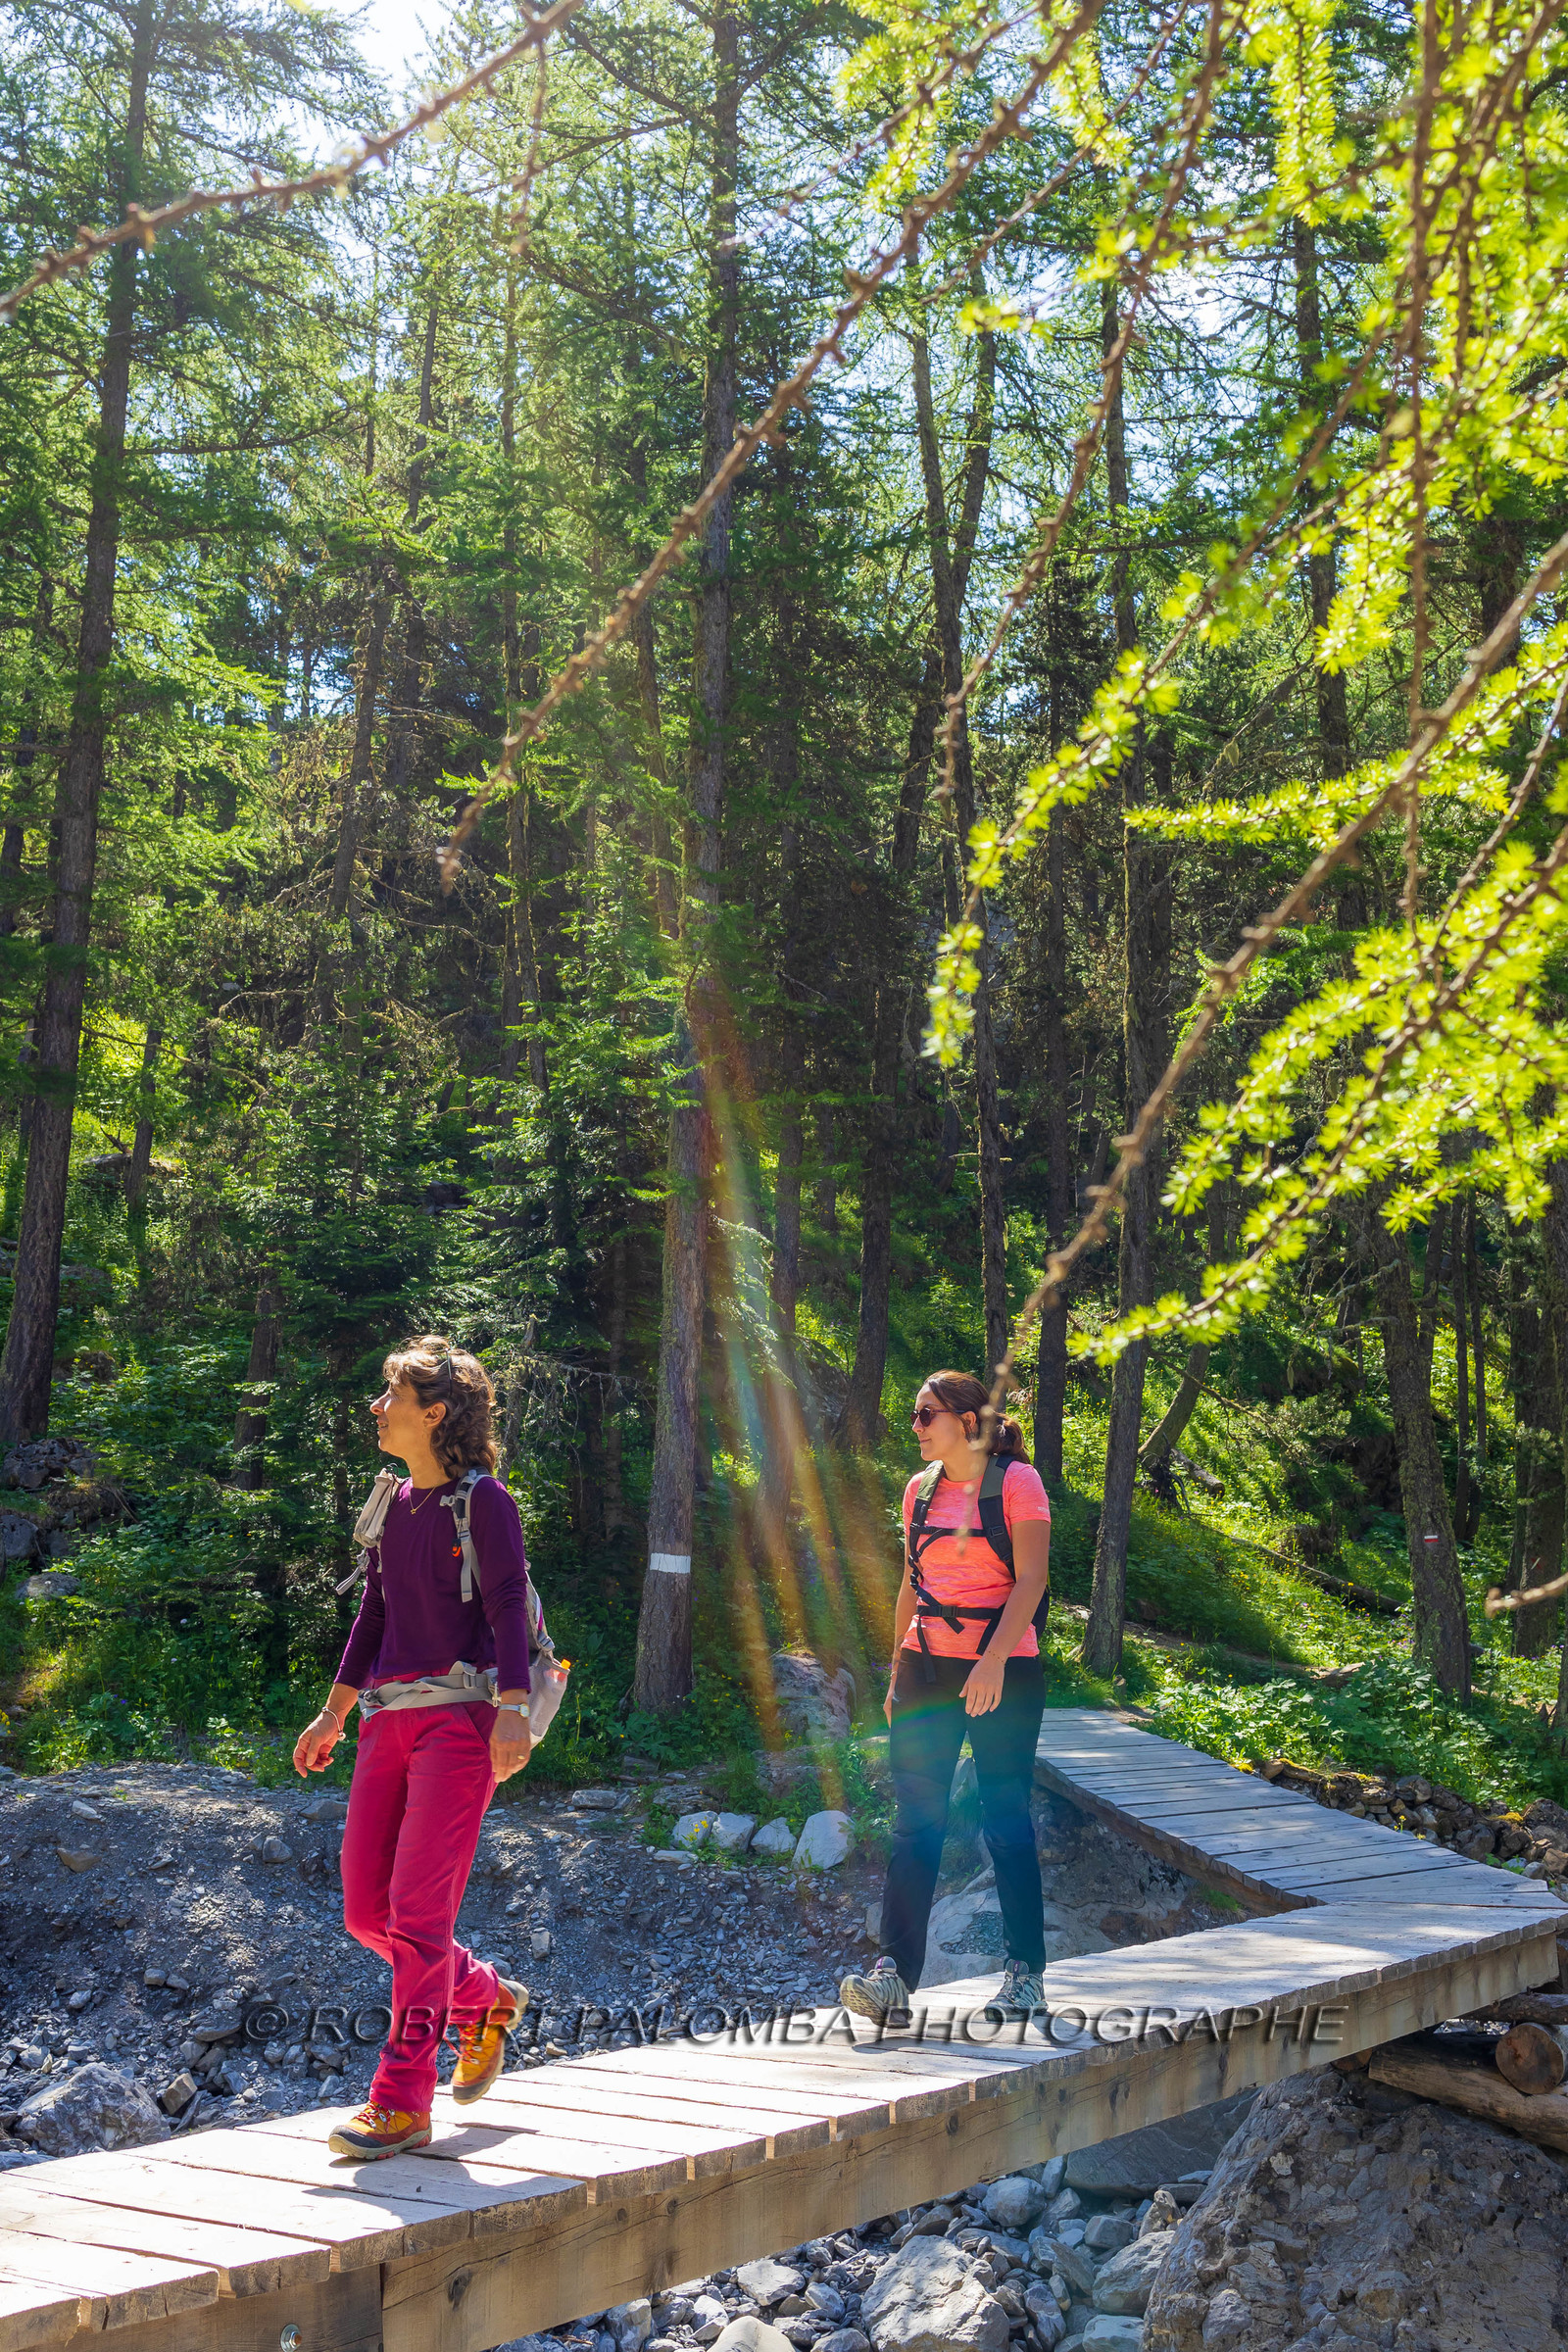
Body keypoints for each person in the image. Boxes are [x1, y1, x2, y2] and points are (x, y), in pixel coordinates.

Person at [293, 1336, 531, 2157]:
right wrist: (332, 1715)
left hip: (460, 1723)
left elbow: (505, 1602)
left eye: (389, 1394)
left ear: (434, 1414)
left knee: (421, 1918)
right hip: (385, 1724)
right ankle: (484, 1998)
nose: (376, 1408)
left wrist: (513, 1706)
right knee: (369, 1912)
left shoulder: (485, 1501)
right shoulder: (393, 1503)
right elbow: (375, 1617)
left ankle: (402, 2101)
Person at [839, 1369, 1052, 2027]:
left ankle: (1025, 1977)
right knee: (915, 1825)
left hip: (1004, 1675)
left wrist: (989, 1664)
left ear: (966, 1420)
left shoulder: (1018, 1482)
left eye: (925, 1414)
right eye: (913, 1414)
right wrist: (895, 1672)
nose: (915, 1426)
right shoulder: (918, 1491)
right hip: (924, 1672)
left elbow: (1033, 1580)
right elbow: (913, 1581)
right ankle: (893, 1980)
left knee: (1006, 1821)